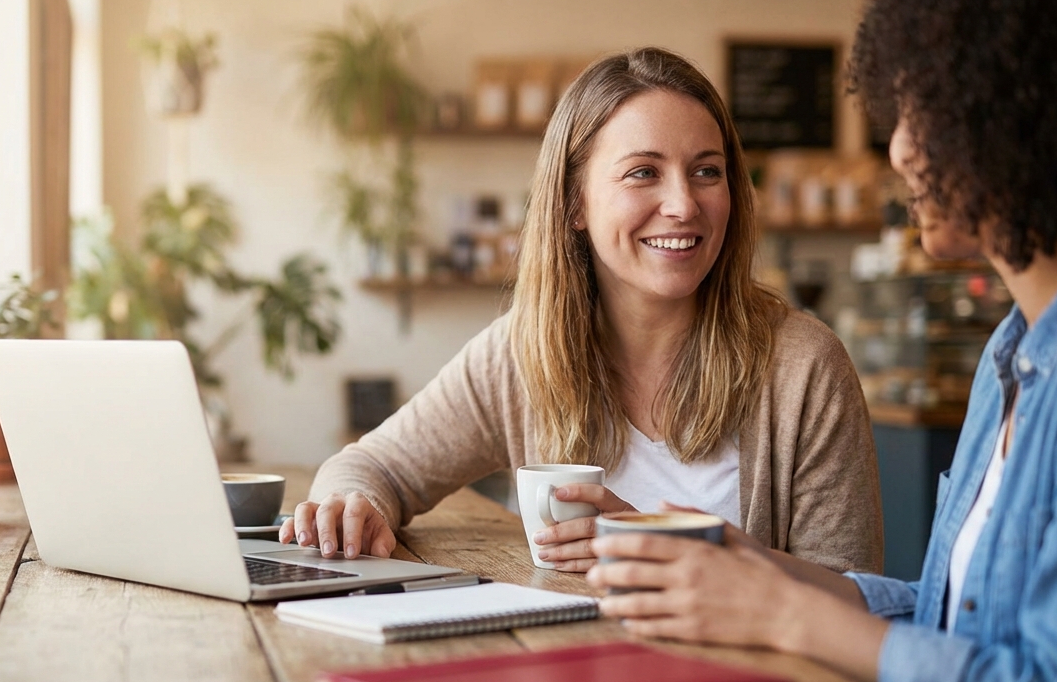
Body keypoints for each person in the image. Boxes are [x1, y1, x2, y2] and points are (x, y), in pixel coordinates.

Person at [585, 0, 1057, 682]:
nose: (896, 150)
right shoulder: (1008, 359)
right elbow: (960, 625)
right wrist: (768, 573)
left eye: (922, 113)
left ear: (1020, 122)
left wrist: (785, 618)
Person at [280, 47, 883, 575]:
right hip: (565, 673)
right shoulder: (521, 353)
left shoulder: (804, 366)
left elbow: (854, 595)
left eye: (707, 171)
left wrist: (652, 543)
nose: (683, 204)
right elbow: (373, 464)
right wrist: (349, 506)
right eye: (643, 172)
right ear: (575, 204)